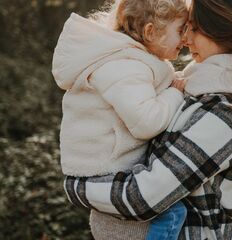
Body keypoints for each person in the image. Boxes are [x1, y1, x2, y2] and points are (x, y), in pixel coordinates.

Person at [64, 0, 232, 239]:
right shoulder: (202, 87)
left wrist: (76, 187)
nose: (186, 40)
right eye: (185, 28)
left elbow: (144, 196)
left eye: (194, 28)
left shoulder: (230, 111)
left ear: (226, 30)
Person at [52, 0, 190, 239]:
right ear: (150, 32)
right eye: (180, 30)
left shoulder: (129, 60)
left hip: (102, 165)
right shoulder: (126, 66)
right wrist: (175, 93)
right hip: (103, 167)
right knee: (172, 212)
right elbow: (146, 121)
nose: (186, 38)